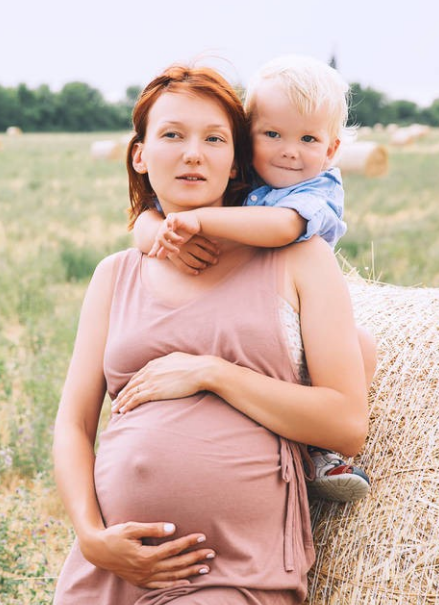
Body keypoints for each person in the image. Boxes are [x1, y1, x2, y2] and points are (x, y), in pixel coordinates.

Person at [52, 64, 368, 604]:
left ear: (236, 156)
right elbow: (74, 425)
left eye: (214, 138)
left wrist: (212, 373)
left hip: (232, 572)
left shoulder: (299, 259)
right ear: (140, 154)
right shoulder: (115, 274)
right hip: (110, 571)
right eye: (172, 134)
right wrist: (91, 536)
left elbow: (345, 423)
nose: (193, 153)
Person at [130, 54, 374, 503]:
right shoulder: (239, 178)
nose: (289, 150)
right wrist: (155, 235)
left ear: (332, 149)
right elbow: (150, 216)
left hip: (300, 324)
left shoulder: (316, 189)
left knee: (362, 348)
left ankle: (319, 450)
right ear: (249, 140)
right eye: (272, 134)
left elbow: (282, 227)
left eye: (308, 139)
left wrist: (201, 221)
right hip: (254, 317)